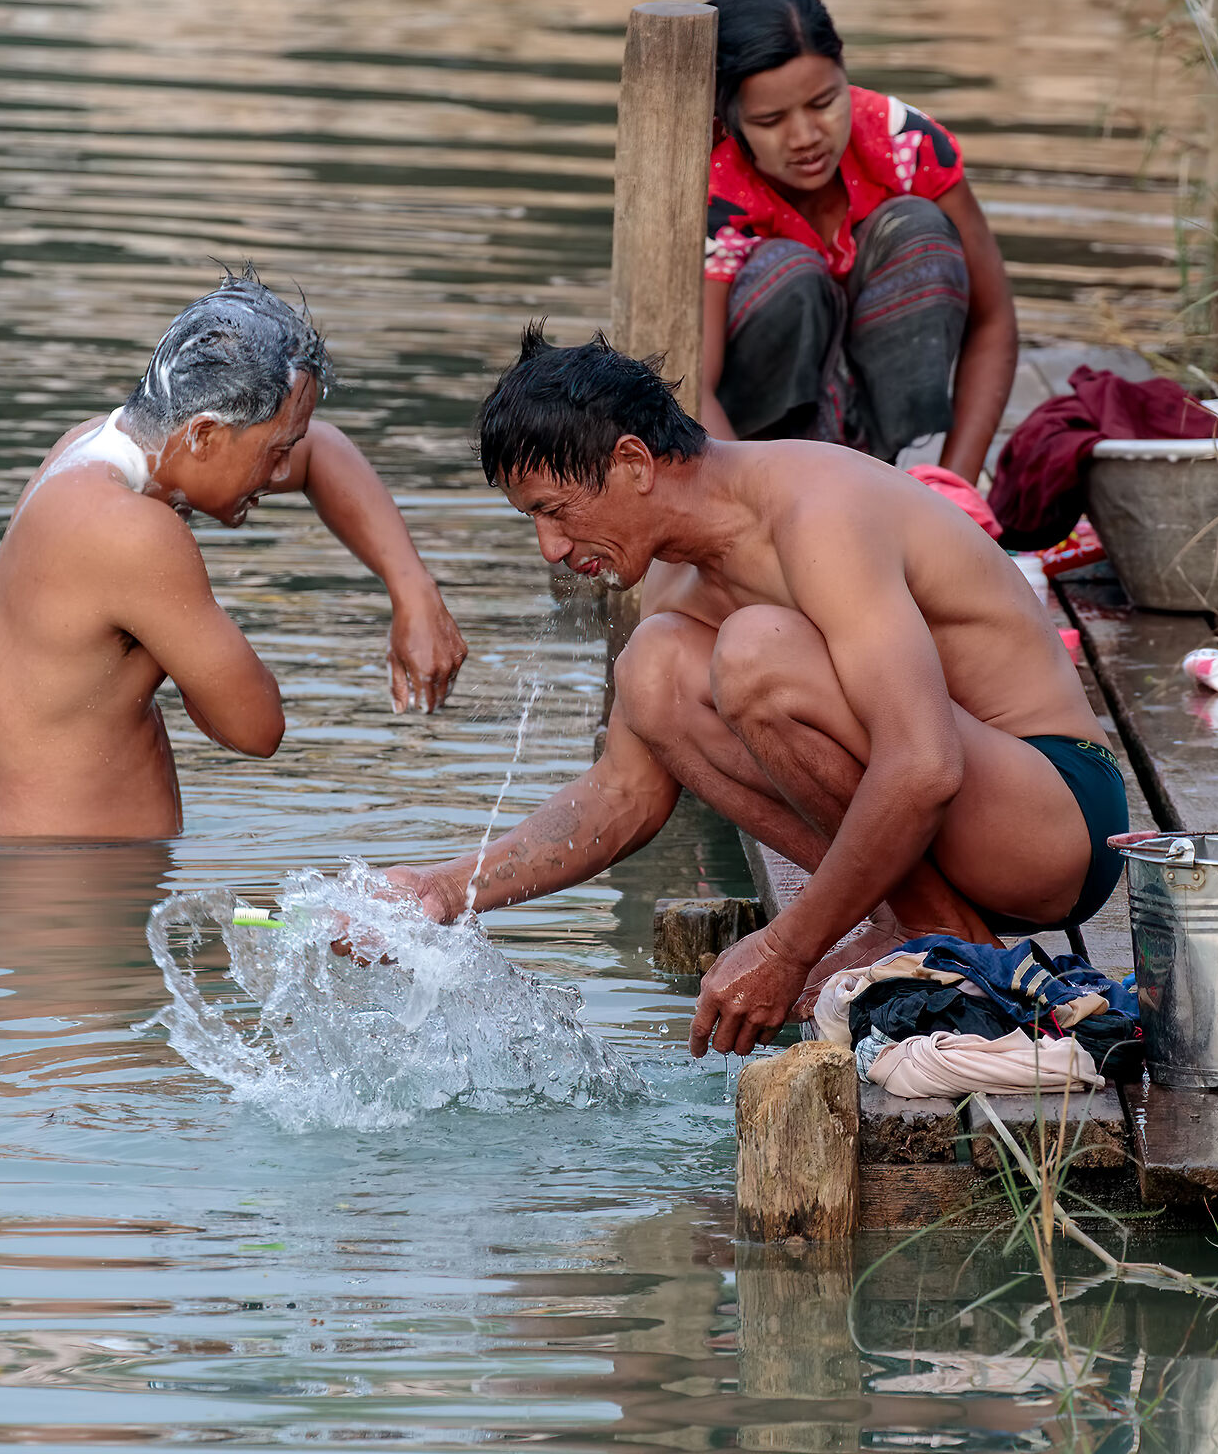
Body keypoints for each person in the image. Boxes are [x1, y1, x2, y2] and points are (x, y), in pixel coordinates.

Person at [382, 330, 1123, 1057]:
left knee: (754, 651)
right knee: (656, 667)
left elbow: (924, 765)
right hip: (952, 832)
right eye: (531, 520)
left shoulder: (816, 513)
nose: (551, 548)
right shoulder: (675, 574)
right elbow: (623, 795)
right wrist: (447, 891)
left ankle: (940, 940)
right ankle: (925, 925)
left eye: (556, 509)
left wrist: (787, 946)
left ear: (634, 463)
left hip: (1057, 820)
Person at [0, 271, 466, 841]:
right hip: (70, 901)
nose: (282, 472)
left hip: (97, 887)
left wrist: (413, 591)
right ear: (204, 436)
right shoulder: (128, 532)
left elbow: (320, 449)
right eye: (275, 453)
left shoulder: (93, 452)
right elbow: (255, 727)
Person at [696, 0, 1018, 484]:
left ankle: (879, 483)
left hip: (866, 434)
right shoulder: (715, 184)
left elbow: (993, 320)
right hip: (750, 456)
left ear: (845, 73)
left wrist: (956, 490)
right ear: (729, 119)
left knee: (919, 232)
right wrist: (750, 511)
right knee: (790, 272)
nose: (805, 137)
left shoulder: (906, 143)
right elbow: (694, 385)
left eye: (824, 103)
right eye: (771, 119)